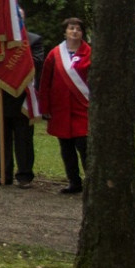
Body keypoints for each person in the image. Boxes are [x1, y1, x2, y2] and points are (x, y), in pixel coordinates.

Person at [0, 27, 48, 187]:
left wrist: (13, 54)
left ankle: (24, 175)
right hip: (0, 96)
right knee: (2, 139)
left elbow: (36, 63)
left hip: (22, 97)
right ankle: (4, 173)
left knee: (24, 139)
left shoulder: (33, 40)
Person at [41, 18, 91, 194]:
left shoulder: (91, 53)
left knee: (85, 147)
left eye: (78, 29)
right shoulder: (55, 54)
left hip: (83, 108)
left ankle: (91, 182)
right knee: (66, 148)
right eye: (71, 28)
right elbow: (45, 81)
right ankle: (74, 182)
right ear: (65, 32)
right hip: (60, 109)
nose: (75, 32)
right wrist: (44, 108)